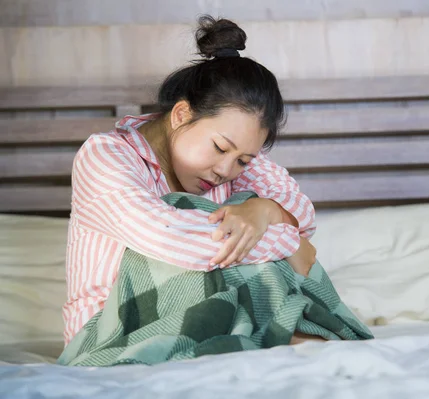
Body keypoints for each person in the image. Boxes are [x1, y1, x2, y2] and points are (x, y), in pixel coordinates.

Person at [62, 15, 319, 347]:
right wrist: (291, 244)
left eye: (243, 160)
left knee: (248, 206)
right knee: (229, 235)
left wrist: (267, 211)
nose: (226, 170)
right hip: (109, 333)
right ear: (181, 114)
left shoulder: (235, 157)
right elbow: (171, 239)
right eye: (219, 148)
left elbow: (302, 211)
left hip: (205, 318)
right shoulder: (105, 156)